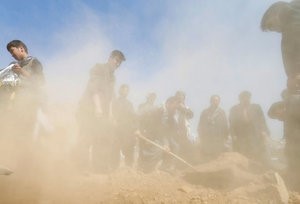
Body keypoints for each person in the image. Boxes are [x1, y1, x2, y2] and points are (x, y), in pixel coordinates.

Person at [262, 0, 300, 189]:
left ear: (275, 13)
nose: (274, 30)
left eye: (271, 26)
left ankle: (295, 178)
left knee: (295, 130)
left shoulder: (292, 21)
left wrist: (296, 74)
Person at [76, 50, 125, 173]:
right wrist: (98, 108)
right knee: (86, 137)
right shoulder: (99, 68)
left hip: (101, 112)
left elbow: (110, 98)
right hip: (88, 109)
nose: (118, 63)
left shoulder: (112, 77)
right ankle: (80, 168)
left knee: (101, 137)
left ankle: (99, 168)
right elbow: (94, 88)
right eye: (116, 60)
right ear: (110, 58)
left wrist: (111, 114)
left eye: (120, 62)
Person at [5, 40, 45, 142]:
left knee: (29, 136)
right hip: (17, 106)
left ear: (21, 49)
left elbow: (40, 82)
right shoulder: (14, 66)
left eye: (12, 51)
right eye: (10, 53)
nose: (12, 55)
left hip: (31, 105)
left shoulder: (34, 62)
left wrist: (22, 72)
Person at [229, 91, 270, 163]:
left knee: (256, 152)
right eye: (244, 98)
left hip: (254, 134)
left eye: (248, 98)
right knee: (242, 153)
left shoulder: (256, 107)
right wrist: (233, 135)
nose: (246, 100)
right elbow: (232, 123)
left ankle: (256, 169)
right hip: (241, 135)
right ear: (240, 99)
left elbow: (262, 120)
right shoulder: (234, 109)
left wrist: (264, 131)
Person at [112, 84, 137, 167]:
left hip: (128, 129)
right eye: (124, 90)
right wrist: (114, 121)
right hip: (117, 128)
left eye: (127, 90)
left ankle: (129, 167)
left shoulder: (129, 104)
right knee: (116, 148)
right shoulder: (115, 101)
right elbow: (112, 113)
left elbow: (133, 116)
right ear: (120, 91)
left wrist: (135, 128)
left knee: (129, 147)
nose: (125, 92)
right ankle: (114, 167)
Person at [198, 95, 229, 159]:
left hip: (218, 138)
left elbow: (225, 125)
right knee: (207, 157)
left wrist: (226, 137)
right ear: (210, 101)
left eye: (217, 100)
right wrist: (201, 136)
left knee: (218, 156)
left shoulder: (222, 112)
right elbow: (200, 125)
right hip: (207, 138)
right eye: (214, 100)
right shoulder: (205, 112)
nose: (215, 102)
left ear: (219, 102)